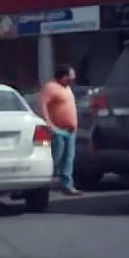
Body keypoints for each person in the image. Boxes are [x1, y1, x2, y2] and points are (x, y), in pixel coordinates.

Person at [38, 64, 81, 196]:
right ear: (63, 76)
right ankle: (40, 185)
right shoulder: (50, 88)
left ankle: (67, 185)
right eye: (70, 75)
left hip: (70, 131)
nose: (73, 78)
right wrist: (49, 124)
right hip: (58, 130)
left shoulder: (67, 88)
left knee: (68, 159)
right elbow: (43, 105)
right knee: (55, 158)